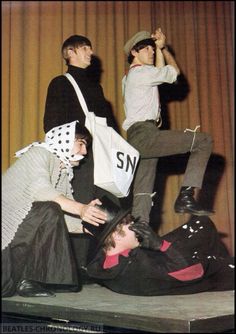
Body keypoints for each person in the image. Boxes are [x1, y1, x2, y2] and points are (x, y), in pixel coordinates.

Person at [2, 121, 107, 298]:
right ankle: (34, 279)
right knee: (49, 207)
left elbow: (61, 216)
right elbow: (41, 190)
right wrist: (82, 209)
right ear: (64, 139)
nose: (84, 152)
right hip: (8, 240)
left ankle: (32, 280)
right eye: (81, 144)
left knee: (51, 209)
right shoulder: (39, 153)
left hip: (19, 241)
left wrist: (92, 226)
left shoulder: (62, 172)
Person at [43, 34, 120, 272]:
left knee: (109, 207)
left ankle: (103, 263)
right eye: (85, 48)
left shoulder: (95, 87)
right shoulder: (60, 82)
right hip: (80, 159)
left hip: (104, 158)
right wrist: (75, 150)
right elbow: (52, 124)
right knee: (81, 207)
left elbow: (111, 128)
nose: (90, 52)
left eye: (89, 48)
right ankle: (76, 269)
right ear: (70, 53)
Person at [122, 28, 214, 224]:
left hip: (136, 139)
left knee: (143, 194)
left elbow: (158, 73)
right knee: (203, 141)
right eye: (147, 49)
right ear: (134, 53)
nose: (152, 52)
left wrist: (158, 48)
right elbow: (173, 73)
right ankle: (186, 197)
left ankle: (139, 238)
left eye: (152, 49)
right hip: (145, 134)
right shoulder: (142, 73)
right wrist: (164, 49)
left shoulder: (130, 77)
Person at [84, 197, 234, 296]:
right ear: (115, 235)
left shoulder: (104, 260)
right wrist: (161, 245)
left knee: (202, 223)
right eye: (128, 223)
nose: (134, 225)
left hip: (160, 262)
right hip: (194, 271)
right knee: (220, 261)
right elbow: (191, 272)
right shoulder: (137, 266)